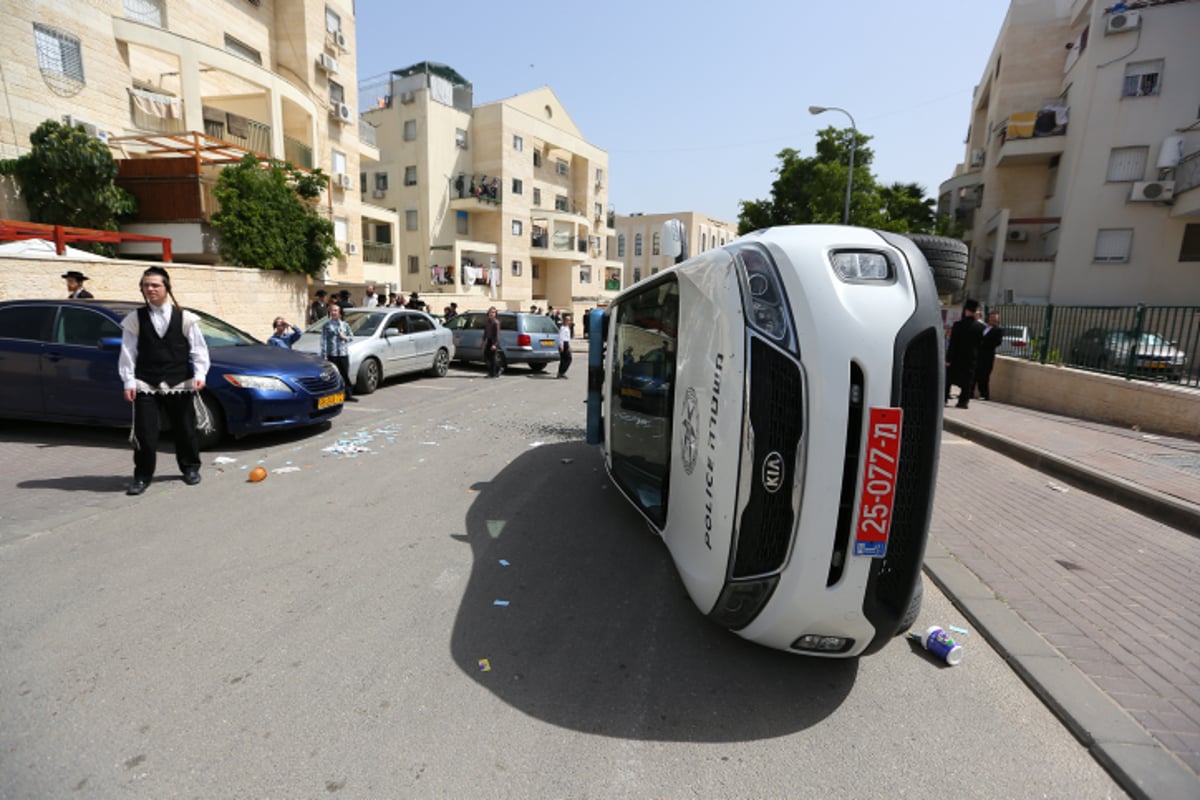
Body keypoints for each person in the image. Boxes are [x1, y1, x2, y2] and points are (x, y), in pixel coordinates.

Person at [117, 266, 210, 496]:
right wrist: (128, 381)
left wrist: (200, 375)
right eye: (146, 285)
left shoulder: (185, 317)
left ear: (167, 288)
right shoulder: (134, 319)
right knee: (145, 433)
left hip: (179, 380)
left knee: (185, 429)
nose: (150, 289)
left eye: (155, 285)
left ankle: (190, 468)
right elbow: (128, 351)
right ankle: (142, 476)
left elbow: (199, 350)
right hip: (146, 382)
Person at [945, 299, 985, 409]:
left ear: (966, 310)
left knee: (949, 378)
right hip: (971, 358)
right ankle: (963, 402)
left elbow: (952, 344)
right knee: (967, 381)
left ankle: (944, 398)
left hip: (956, 357)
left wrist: (948, 359)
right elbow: (981, 345)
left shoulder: (958, 325)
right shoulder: (981, 327)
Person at [321, 303, 356, 401]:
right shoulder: (326, 326)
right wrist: (324, 354)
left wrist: (344, 337)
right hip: (332, 354)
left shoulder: (345, 325)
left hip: (343, 353)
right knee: (333, 375)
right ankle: (334, 396)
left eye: (335, 311)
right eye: (332, 311)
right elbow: (323, 340)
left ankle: (348, 394)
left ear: (339, 313)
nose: (333, 312)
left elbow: (352, 337)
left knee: (344, 374)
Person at [974, 311, 1005, 400]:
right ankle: (970, 392)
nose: (993, 320)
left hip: (987, 355)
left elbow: (997, 342)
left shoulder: (998, 330)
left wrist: (983, 343)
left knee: (984, 375)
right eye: (991, 318)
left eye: (995, 318)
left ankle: (984, 394)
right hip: (978, 354)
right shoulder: (983, 327)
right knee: (974, 373)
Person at [483, 306, 502, 378]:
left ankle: (492, 373)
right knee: (486, 356)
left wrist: (494, 344)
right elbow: (485, 332)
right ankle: (498, 368)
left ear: (495, 314)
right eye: (491, 312)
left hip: (494, 341)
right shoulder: (487, 322)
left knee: (492, 358)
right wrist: (483, 340)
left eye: (493, 312)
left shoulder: (496, 322)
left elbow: (497, 334)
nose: (492, 314)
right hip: (489, 340)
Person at [556, 313, 573, 379]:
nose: (568, 321)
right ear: (564, 320)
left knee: (565, 359)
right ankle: (561, 372)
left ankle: (561, 372)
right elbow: (561, 337)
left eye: (569, 320)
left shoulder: (567, 327)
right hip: (563, 344)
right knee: (567, 359)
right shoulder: (562, 328)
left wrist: (569, 345)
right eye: (567, 320)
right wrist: (561, 346)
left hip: (566, 343)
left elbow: (567, 337)